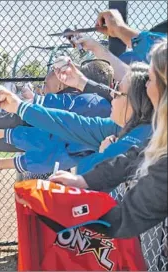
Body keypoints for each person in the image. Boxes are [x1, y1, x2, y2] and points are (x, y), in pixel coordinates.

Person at [47, 40, 167, 239]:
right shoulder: (159, 132)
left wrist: (58, 211)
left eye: (151, 79)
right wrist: (83, 181)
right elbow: (133, 156)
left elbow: (123, 219)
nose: (145, 85)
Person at [0, 61, 153, 176]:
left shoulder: (140, 135)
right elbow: (68, 124)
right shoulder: (113, 127)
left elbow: (63, 129)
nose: (113, 94)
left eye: (118, 90)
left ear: (135, 102)